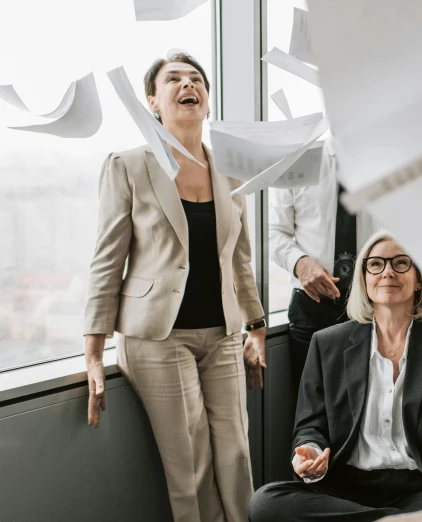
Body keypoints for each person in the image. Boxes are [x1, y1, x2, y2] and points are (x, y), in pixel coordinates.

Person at [83, 51, 266, 522]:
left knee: (237, 454)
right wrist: (93, 354)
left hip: (223, 335)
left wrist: (257, 326)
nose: (189, 84)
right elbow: (107, 262)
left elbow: (239, 257)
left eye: (197, 79)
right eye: (174, 79)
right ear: (154, 102)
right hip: (158, 339)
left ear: (205, 101)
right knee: (190, 465)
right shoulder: (127, 165)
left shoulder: (230, 168)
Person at [249, 231, 422, 522]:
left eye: (401, 263)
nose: (388, 271)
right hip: (343, 487)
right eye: (376, 264)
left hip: (417, 489)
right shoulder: (327, 344)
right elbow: (310, 426)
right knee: (264, 503)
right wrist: (310, 454)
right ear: (364, 280)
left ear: (418, 280)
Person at [269, 136, 380, 393]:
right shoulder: (296, 160)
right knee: (311, 406)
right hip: (313, 306)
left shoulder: (386, 162)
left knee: (367, 404)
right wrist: (300, 263)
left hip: (373, 305)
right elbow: (273, 231)